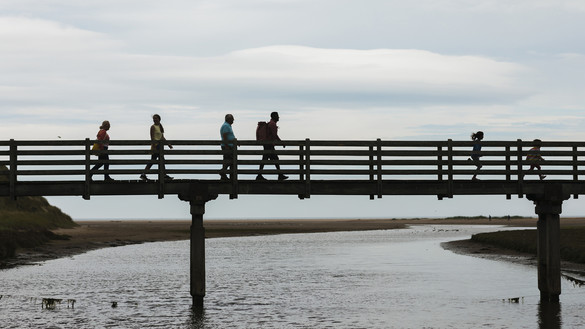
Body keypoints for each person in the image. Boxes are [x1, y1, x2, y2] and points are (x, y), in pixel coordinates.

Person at [140, 114, 173, 181]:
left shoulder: (160, 127)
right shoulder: (153, 127)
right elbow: (152, 137)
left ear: (159, 119)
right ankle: (163, 175)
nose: (154, 120)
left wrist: (168, 144)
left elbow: (162, 137)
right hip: (156, 146)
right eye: (154, 119)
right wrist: (154, 145)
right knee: (159, 160)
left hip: (160, 146)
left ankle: (144, 174)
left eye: (156, 118)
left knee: (154, 161)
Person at [256, 111, 288, 181]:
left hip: (267, 144)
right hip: (269, 145)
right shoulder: (272, 124)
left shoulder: (270, 123)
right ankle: (279, 175)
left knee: (267, 160)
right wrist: (281, 142)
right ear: (274, 117)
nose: (278, 117)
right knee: (274, 159)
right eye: (277, 116)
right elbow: (274, 135)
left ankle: (260, 175)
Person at [220, 114, 236, 180]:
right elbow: (225, 136)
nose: (233, 120)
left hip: (230, 146)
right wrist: (226, 145)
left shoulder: (227, 126)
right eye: (232, 119)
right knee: (229, 160)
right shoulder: (226, 126)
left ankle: (224, 177)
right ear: (228, 119)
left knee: (229, 160)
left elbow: (229, 136)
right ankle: (222, 172)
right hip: (227, 146)